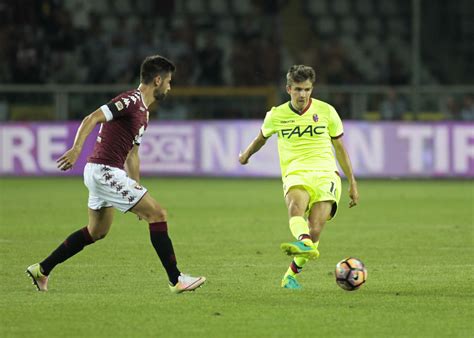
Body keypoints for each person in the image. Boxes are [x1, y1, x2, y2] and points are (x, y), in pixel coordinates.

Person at [26, 55, 205, 293]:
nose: (170, 87)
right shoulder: (130, 100)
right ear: (158, 80)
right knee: (159, 215)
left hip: (105, 172)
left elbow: (132, 154)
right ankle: (176, 280)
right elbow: (92, 118)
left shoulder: (145, 114)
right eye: (169, 82)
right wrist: (77, 149)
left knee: (97, 231)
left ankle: (42, 269)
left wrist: (137, 189)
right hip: (103, 170)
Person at [239, 65, 359, 289]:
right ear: (288, 89)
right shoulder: (276, 115)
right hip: (296, 171)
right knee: (296, 205)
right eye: (298, 89)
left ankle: (290, 275)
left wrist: (352, 181)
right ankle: (303, 242)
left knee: (315, 228)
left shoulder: (327, 111)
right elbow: (260, 139)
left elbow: (340, 148)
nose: (303, 94)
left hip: (326, 173)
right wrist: (246, 155)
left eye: (307, 89)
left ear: (311, 89)